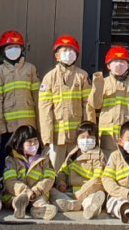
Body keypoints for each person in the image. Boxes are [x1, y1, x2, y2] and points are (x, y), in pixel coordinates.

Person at [0, 30, 40, 170]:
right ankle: (4, 179)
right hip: (9, 127)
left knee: (31, 155)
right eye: (10, 47)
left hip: (28, 124)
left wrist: (38, 124)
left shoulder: (30, 69)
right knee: (6, 155)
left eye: (16, 47)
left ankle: (31, 178)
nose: (13, 50)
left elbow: (37, 97)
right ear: (2, 50)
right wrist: (0, 126)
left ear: (22, 49)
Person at [38, 35, 91, 170]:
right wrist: (47, 137)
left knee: (78, 168)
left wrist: (89, 131)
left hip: (78, 134)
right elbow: (45, 110)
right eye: (64, 50)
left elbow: (88, 105)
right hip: (57, 136)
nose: (68, 53)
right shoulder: (49, 77)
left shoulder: (82, 76)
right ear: (57, 55)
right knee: (54, 168)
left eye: (71, 50)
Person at [88, 45, 129, 155]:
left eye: (122, 61)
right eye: (115, 61)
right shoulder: (103, 82)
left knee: (128, 162)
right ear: (108, 65)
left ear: (128, 65)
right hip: (108, 135)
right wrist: (97, 85)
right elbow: (95, 104)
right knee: (108, 162)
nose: (119, 65)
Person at [51, 120, 106, 218]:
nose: (86, 140)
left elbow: (97, 180)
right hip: (70, 190)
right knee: (53, 191)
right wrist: (61, 183)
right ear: (77, 139)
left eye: (90, 137)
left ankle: (88, 208)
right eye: (82, 137)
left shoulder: (99, 156)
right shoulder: (73, 153)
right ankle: (72, 204)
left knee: (91, 199)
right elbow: (63, 171)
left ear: (96, 139)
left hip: (89, 191)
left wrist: (80, 194)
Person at [3, 124, 57, 221]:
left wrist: (35, 191)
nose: (34, 144)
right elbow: (10, 181)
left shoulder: (44, 158)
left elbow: (49, 178)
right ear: (19, 143)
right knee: (15, 199)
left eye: (35, 140)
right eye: (29, 141)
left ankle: (41, 209)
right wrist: (26, 192)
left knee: (40, 201)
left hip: (38, 193)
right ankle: (19, 207)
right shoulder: (11, 160)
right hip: (17, 193)